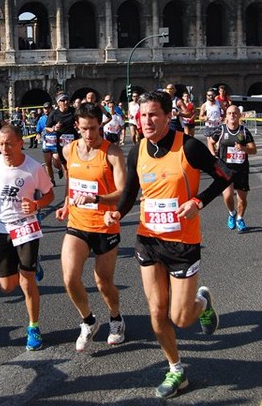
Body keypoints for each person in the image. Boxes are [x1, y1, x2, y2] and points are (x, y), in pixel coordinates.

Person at [104, 91, 233, 399]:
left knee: (181, 317)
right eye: (142, 115)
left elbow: (225, 175)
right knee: (157, 311)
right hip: (148, 240)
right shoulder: (138, 150)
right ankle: (176, 369)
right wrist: (117, 213)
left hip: (182, 243)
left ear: (166, 116)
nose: (146, 121)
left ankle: (202, 305)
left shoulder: (188, 146)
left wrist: (198, 202)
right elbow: (130, 192)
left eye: (153, 115)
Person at [56, 104, 127, 351]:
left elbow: (122, 193)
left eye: (94, 129)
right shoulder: (68, 150)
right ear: (77, 126)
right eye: (84, 129)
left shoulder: (112, 153)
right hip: (77, 223)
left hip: (105, 225)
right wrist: (66, 203)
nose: (89, 134)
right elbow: (71, 182)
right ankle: (88, 321)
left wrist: (96, 199)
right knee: (69, 278)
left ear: (101, 126)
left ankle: (116, 317)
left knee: (103, 282)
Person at [0, 124, 54, 351]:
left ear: (20, 143)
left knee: (27, 281)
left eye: (9, 144)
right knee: (6, 286)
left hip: (26, 226)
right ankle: (33, 265)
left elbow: (49, 194)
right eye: (1, 144)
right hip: (2, 227)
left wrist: (36, 204)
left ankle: (33, 327)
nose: (4, 148)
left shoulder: (33, 168)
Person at [209, 105, 257, 233]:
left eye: (235, 113)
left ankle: (240, 219)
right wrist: (213, 155)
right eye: (229, 113)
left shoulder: (244, 131)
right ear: (226, 116)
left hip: (241, 169)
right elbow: (210, 141)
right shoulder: (221, 129)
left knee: (242, 198)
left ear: (239, 115)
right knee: (228, 196)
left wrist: (243, 149)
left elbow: (254, 150)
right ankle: (232, 213)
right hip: (225, 168)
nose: (232, 115)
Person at [45, 93, 79, 178]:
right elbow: (47, 128)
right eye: (63, 100)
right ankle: (68, 182)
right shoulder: (54, 114)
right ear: (58, 103)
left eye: (67, 100)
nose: (66, 102)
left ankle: (74, 180)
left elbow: (81, 121)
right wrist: (54, 129)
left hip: (73, 140)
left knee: (74, 163)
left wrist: (78, 126)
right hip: (61, 142)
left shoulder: (74, 111)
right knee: (64, 164)